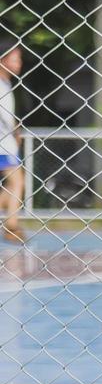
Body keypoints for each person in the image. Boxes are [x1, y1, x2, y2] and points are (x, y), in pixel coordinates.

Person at [0, 41, 25, 244]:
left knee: (13, 184)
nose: (19, 64)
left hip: (6, 143)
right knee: (17, 182)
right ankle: (11, 226)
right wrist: (16, 131)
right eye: (15, 59)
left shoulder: (6, 83)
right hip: (3, 144)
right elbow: (6, 117)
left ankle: (11, 224)